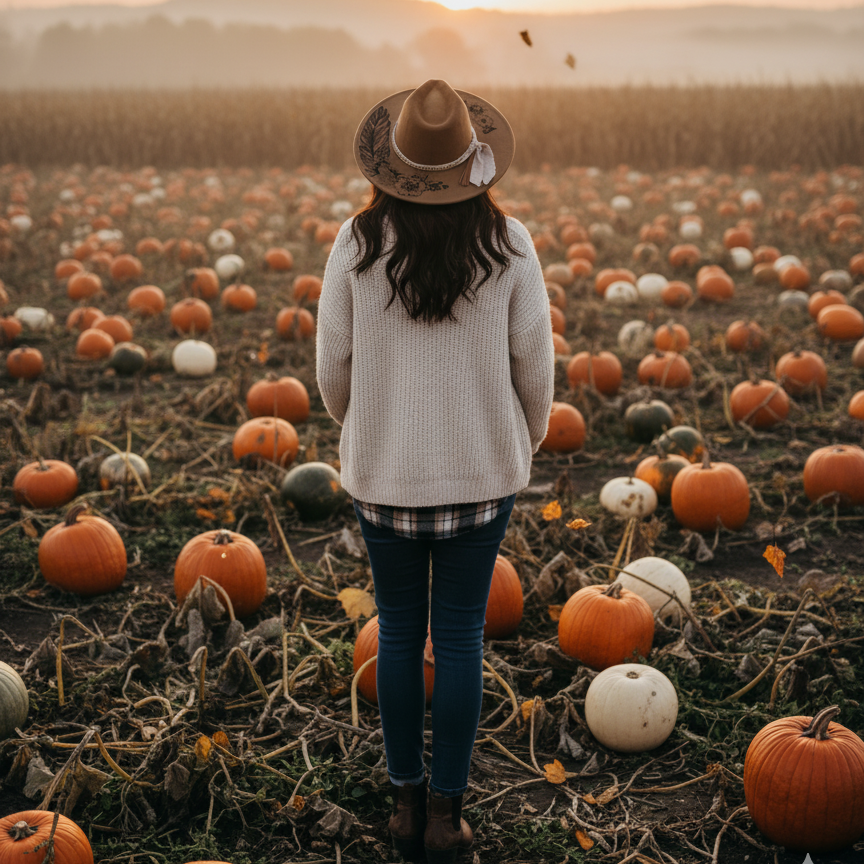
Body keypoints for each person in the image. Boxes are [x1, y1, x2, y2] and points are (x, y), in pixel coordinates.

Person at [316, 79, 555, 863]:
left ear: (392, 167)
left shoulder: (356, 244)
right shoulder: (509, 244)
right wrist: (522, 442)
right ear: (473, 163)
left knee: (396, 636)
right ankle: (449, 817)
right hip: (480, 482)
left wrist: (364, 430)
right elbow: (535, 366)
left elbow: (332, 367)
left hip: (384, 482)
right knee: (458, 641)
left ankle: (403, 807)